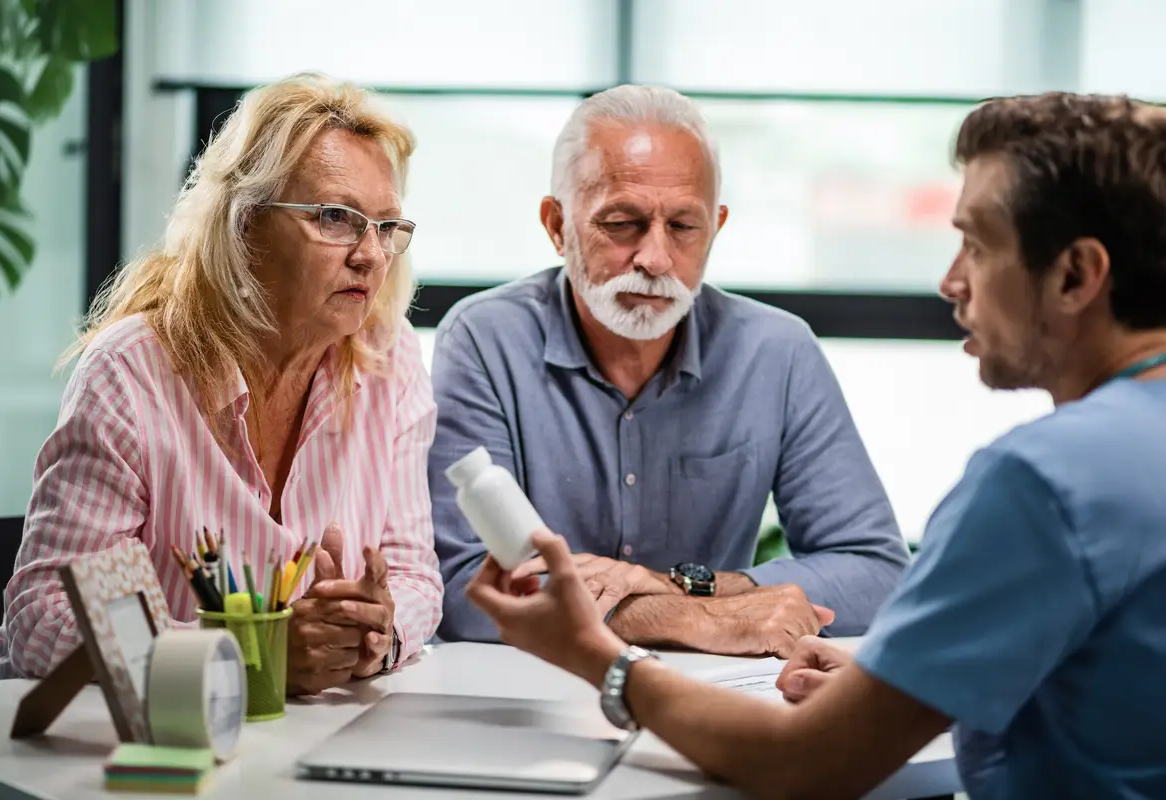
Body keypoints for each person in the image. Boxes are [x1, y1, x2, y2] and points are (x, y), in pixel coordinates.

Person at [467, 91, 1166, 799]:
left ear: (1077, 275)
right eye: (622, 222)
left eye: (977, 245)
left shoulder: (1040, 483)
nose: (950, 281)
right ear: (558, 226)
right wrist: (893, 690)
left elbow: (803, 761)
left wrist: (602, 657)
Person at [0, 73, 444, 695]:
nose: (371, 255)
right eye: (336, 217)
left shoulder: (388, 360)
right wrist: (253, 657)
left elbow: (413, 575)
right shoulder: (133, 371)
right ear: (244, 224)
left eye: (386, 227)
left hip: (286, 739)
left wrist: (373, 637)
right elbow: (47, 617)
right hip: (89, 745)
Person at [429, 85, 908, 652]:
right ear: (557, 225)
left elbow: (878, 575)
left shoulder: (777, 351)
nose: (655, 260)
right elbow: (462, 589)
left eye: (683, 226)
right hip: (535, 698)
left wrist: (672, 588)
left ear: (717, 227)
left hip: (718, 691)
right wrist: (691, 620)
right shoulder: (485, 339)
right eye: (622, 223)